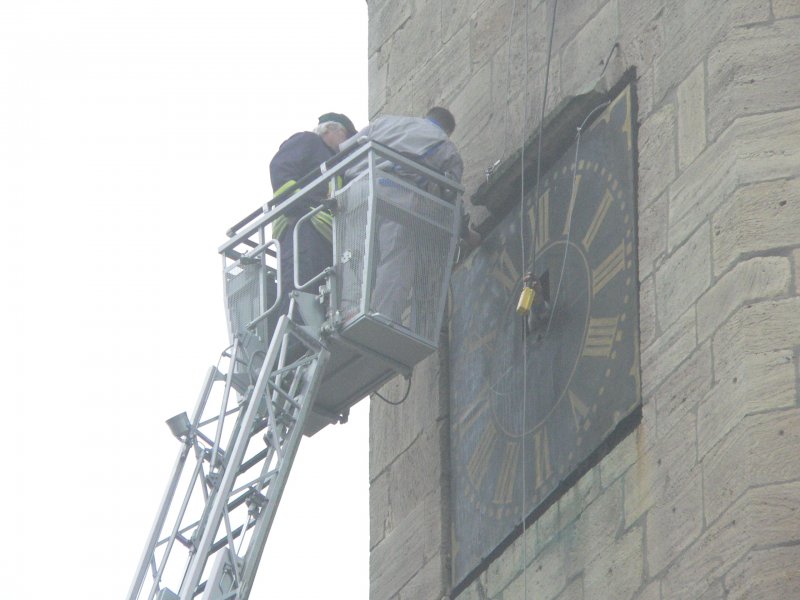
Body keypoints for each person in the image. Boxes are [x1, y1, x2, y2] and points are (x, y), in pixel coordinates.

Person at [348, 107, 479, 326]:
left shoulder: (385, 122)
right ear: (448, 130)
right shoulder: (446, 147)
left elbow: (346, 150)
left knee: (353, 255)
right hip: (397, 195)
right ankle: (385, 318)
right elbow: (452, 199)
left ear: (426, 117)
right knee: (396, 256)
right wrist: (465, 233)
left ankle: (348, 310)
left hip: (357, 192)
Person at [268, 113, 357, 318]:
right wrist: (296, 208)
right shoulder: (308, 141)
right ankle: (293, 342)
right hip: (303, 227)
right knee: (299, 289)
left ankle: (305, 338)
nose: (347, 144)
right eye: (346, 136)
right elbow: (281, 169)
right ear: (331, 130)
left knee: (318, 295)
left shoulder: (336, 163)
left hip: (325, 237)